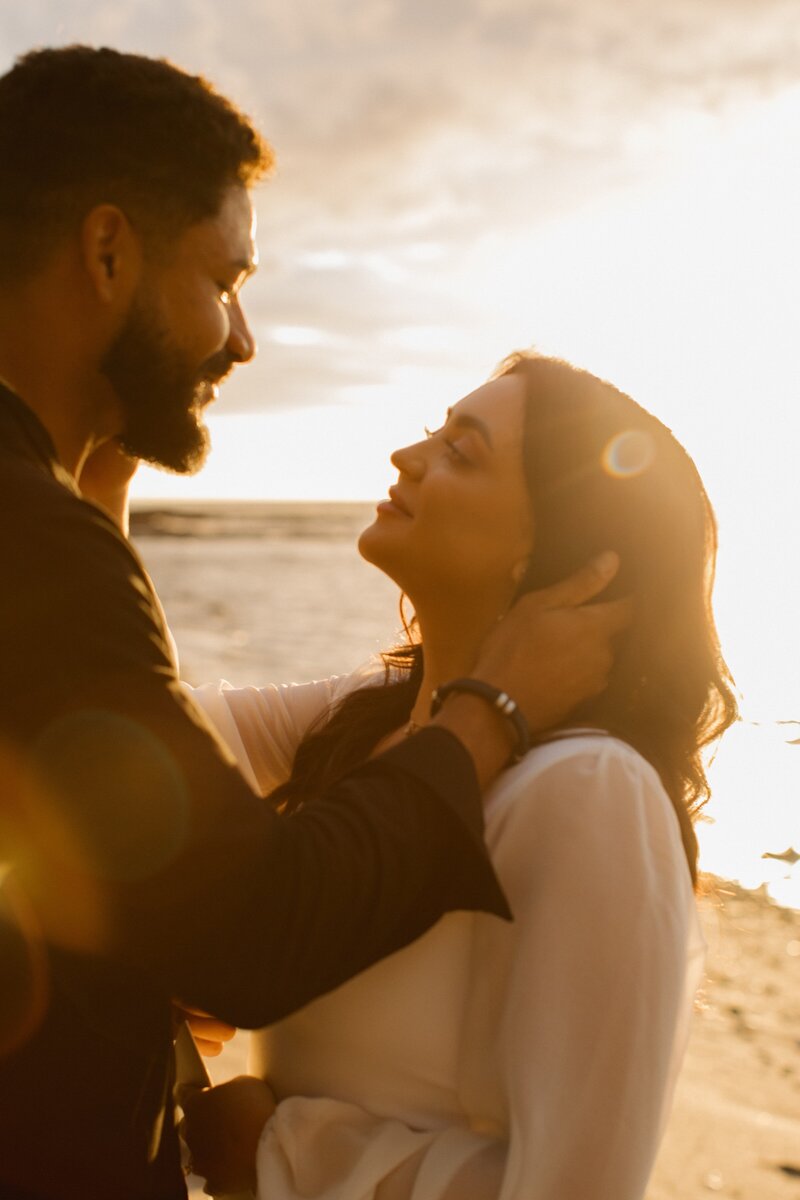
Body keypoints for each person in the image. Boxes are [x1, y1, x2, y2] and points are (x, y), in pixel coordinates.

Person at [0, 47, 627, 1200]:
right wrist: (491, 708)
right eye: (224, 280)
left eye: (462, 450)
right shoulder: (29, 539)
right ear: (106, 253)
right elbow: (248, 923)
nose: (239, 338)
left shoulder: (593, 796)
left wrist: (94, 491)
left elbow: (111, 769)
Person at [173, 352, 738, 1199]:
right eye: (436, 432)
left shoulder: (587, 791)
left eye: (461, 452)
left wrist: (280, 1149)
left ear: (550, 552)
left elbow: (575, 1186)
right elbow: (138, 730)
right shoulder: (380, 717)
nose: (408, 455)